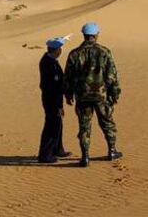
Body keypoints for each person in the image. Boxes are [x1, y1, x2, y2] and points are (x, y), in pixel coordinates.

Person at [64, 23, 123, 167]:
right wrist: (115, 93)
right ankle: (112, 151)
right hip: (101, 96)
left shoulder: (74, 53)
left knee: (84, 127)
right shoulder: (104, 52)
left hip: (82, 96)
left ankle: (85, 157)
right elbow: (111, 76)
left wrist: (68, 94)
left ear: (84, 35)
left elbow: (68, 77)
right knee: (107, 123)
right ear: (96, 35)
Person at [38, 37, 71, 163]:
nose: (61, 51)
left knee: (58, 124)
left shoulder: (50, 59)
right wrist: (59, 104)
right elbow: (54, 86)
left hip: (53, 98)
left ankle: (58, 149)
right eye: (60, 48)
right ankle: (45, 155)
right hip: (51, 99)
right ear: (57, 50)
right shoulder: (49, 63)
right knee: (52, 126)